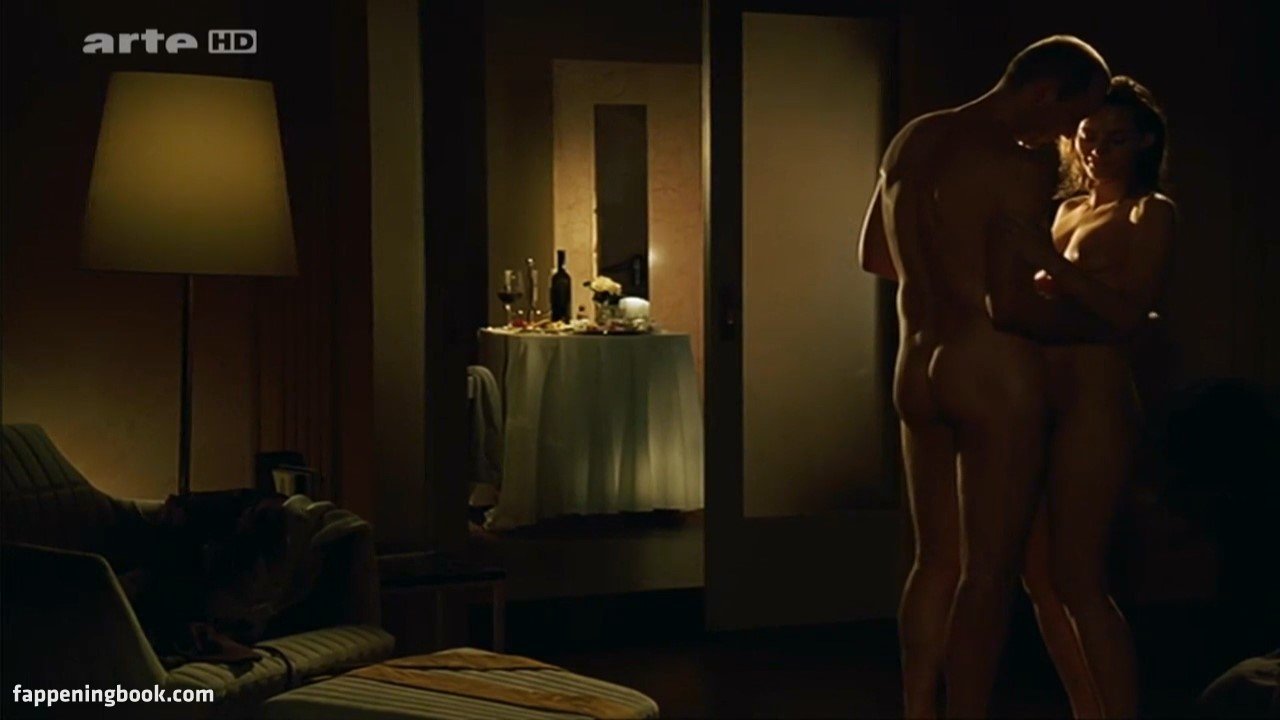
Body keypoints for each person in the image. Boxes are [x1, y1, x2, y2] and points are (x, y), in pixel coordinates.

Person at [858, 36, 1126, 717]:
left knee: (933, 563)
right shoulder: (1017, 163)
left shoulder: (914, 138)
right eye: (1073, 116)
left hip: (916, 364)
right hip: (989, 369)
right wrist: (1107, 321)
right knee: (989, 573)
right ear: (1044, 93)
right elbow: (1009, 305)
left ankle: (919, 710)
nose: (1070, 135)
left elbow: (875, 255)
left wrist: (946, 268)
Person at [1019, 76, 1176, 718]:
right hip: (1038, 396)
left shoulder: (1149, 211)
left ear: (1143, 143)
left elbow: (1130, 315)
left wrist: (1054, 271)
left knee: (1081, 579)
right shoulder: (1064, 211)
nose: (1097, 151)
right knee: (1038, 578)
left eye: (1115, 139)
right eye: (1088, 136)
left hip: (1095, 398)